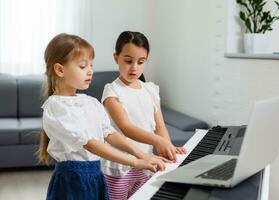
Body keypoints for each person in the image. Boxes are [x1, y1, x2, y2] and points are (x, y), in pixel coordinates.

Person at [38, 33, 165, 200]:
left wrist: (142, 155)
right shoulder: (56, 107)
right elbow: (90, 144)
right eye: (83, 66)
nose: (90, 71)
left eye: (91, 65)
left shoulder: (90, 102)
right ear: (60, 69)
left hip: (95, 176)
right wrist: (134, 161)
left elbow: (109, 134)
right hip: (73, 182)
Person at [101, 31, 187, 200]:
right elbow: (126, 127)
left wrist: (168, 146)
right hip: (119, 167)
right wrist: (158, 141)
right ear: (116, 57)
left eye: (141, 62)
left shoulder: (151, 90)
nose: (134, 67)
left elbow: (159, 126)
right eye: (128, 61)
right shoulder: (112, 91)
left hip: (145, 164)